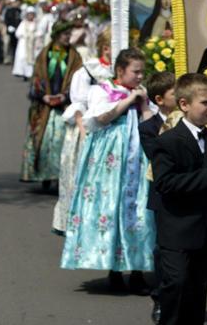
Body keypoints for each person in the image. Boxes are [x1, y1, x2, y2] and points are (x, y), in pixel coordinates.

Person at [60, 48, 156, 296]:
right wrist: (126, 101)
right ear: (120, 71)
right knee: (112, 208)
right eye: (135, 71)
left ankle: (137, 272)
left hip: (139, 158)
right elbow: (99, 119)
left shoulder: (141, 93)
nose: (139, 76)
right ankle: (114, 271)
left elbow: (152, 124)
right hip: (111, 161)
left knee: (140, 210)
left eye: (141, 72)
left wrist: (144, 103)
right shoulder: (101, 90)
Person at [150, 73, 207, 325]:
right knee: (175, 286)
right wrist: (204, 177)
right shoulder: (168, 141)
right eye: (205, 103)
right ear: (184, 105)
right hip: (177, 229)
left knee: (197, 292)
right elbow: (164, 183)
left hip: (205, 231)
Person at [52, 28, 114, 236]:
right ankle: (76, 220)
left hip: (113, 129)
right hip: (87, 129)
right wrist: (84, 132)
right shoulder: (88, 70)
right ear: (106, 48)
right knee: (82, 175)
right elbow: (78, 103)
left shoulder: (122, 71)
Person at [20, 21, 83, 187]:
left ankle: (58, 177)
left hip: (63, 107)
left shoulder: (74, 56)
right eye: (65, 35)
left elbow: (78, 80)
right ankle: (44, 176)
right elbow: (37, 78)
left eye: (69, 35)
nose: (68, 38)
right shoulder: (44, 55)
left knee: (61, 143)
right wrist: (43, 96)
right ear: (56, 36)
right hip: (45, 107)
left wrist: (65, 96)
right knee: (45, 142)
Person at [137, 70, 178, 324]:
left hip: (190, 191)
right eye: (175, 93)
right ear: (160, 99)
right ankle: (160, 299)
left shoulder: (188, 122)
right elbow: (158, 156)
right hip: (163, 195)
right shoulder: (149, 127)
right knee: (162, 250)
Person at [12, 6, 38, 81]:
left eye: (32, 14)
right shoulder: (23, 23)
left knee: (32, 59)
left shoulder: (36, 23)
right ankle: (23, 73)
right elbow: (17, 33)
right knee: (23, 58)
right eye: (29, 14)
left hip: (32, 44)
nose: (30, 16)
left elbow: (39, 32)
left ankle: (30, 74)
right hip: (24, 44)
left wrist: (34, 35)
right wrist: (25, 35)